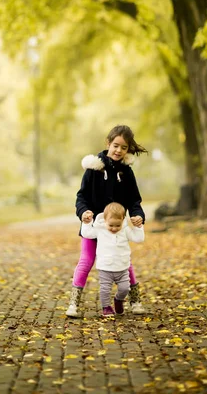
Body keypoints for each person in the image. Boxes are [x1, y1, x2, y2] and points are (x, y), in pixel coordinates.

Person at [66, 124, 148, 318]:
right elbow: (81, 196)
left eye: (124, 147)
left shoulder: (126, 172)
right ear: (108, 143)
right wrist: (84, 212)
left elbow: (134, 200)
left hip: (115, 227)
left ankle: (135, 300)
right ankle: (74, 304)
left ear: (128, 150)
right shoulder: (93, 169)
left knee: (124, 261)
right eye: (116, 145)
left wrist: (138, 215)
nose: (119, 150)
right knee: (86, 260)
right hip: (93, 225)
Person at [81, 202, 145, 316]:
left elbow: (138, 238)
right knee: (105, 290)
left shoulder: (125, 230)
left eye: (117, 225)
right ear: (105, 220)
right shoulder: (100, 229)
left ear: (122, 220)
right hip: (105, 267)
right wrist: (87, 223)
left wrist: (138, 227)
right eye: (111, 225)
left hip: (122, 267)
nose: (114, 228)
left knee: (125, 289)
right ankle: (106, 307)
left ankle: (118, 300)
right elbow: (86, 233)